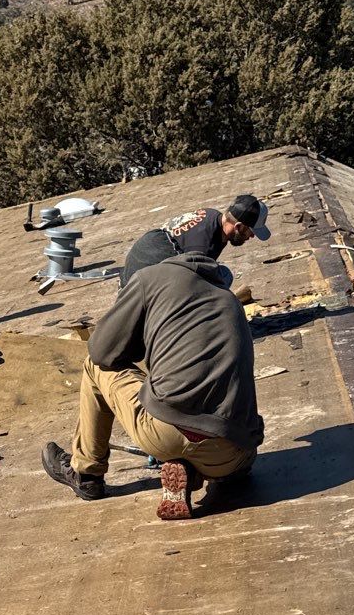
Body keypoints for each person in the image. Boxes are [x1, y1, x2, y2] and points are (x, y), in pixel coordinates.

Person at [41, 224, 264, 522]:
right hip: (234, 450)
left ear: (138, 270)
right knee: (216, 428)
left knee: (95, 367)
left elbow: (103, 351)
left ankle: (86, 473)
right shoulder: (226, 297)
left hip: (165, 434)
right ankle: (205, 472)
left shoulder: (149, 278)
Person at [117, 192, 270, 289]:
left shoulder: (211, 215)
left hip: (140, 259)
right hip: (139, 282)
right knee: (220, 280)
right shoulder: (203, 247)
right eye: (251, 231)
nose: (252, 237)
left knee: (215, 273)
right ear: (238, 226)